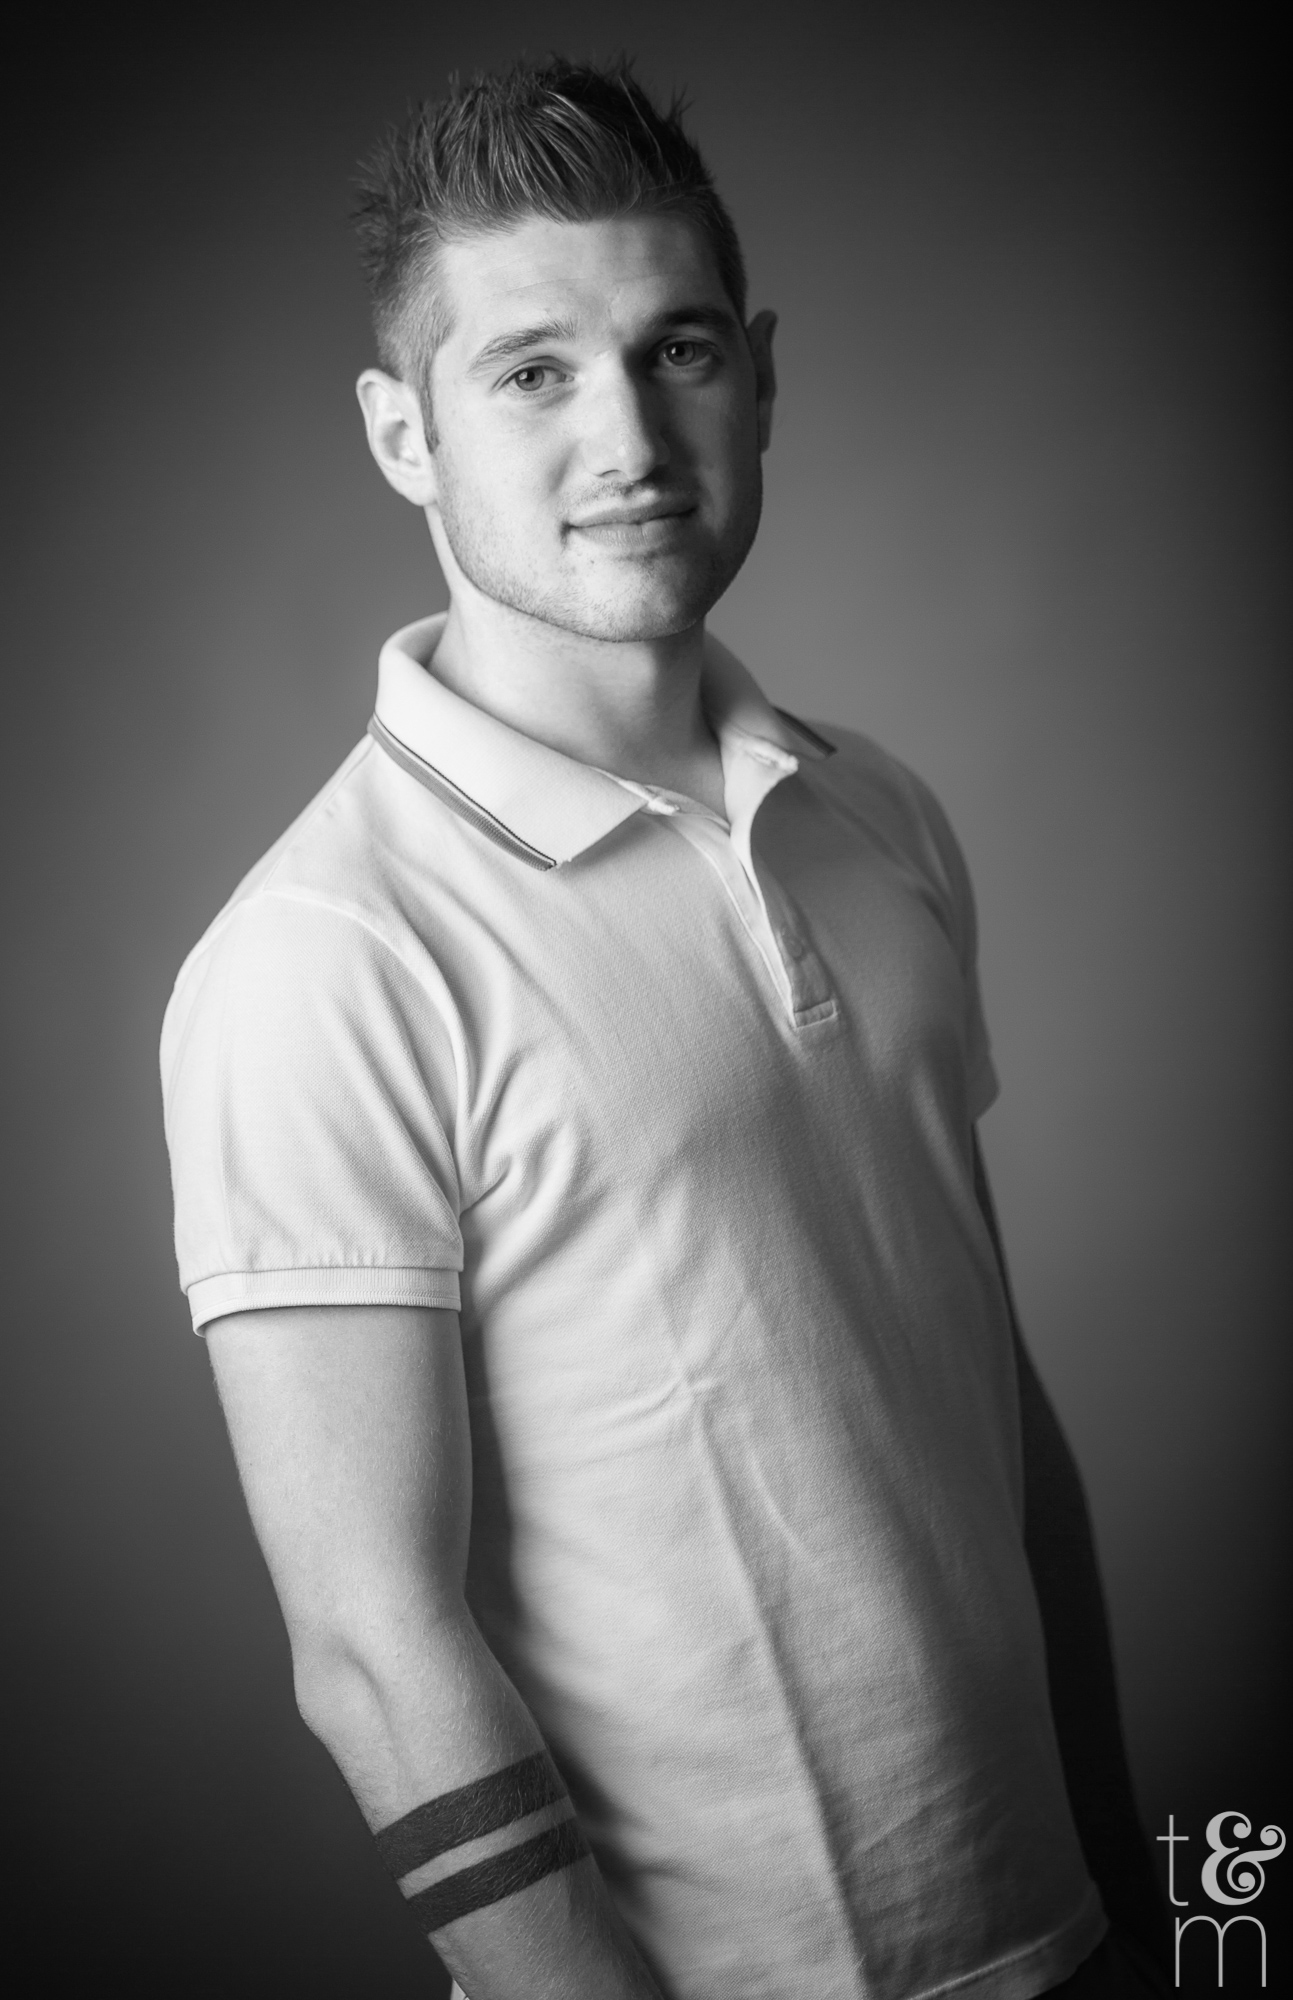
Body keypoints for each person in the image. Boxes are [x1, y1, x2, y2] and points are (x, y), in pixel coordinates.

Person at [160, 59, 1168, 2000]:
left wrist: (1149, 1908)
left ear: (757, 378)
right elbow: (371, 1647)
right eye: (530, 371)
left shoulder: (874, 815)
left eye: (674, 350)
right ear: (401, 433)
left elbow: (987, 1398)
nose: (624, 436)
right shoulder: (322, 955)